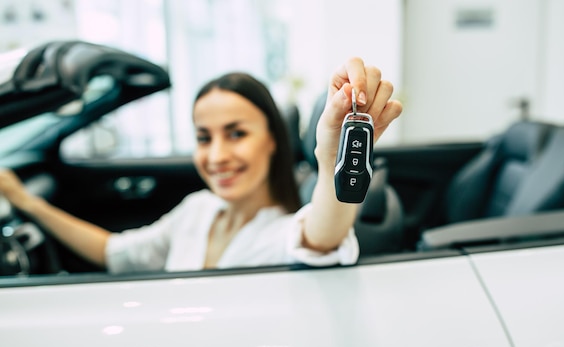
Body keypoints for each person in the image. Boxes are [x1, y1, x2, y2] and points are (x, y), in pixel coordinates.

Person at [0, 57, 402, 273]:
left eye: (236, 134)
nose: (216, 156)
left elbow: (324, 231)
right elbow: (114, 252)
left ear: (274, 141)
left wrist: (331, 157)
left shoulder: (282, 233)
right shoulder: (198, 209)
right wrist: (26, 201)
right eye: (203, 138)